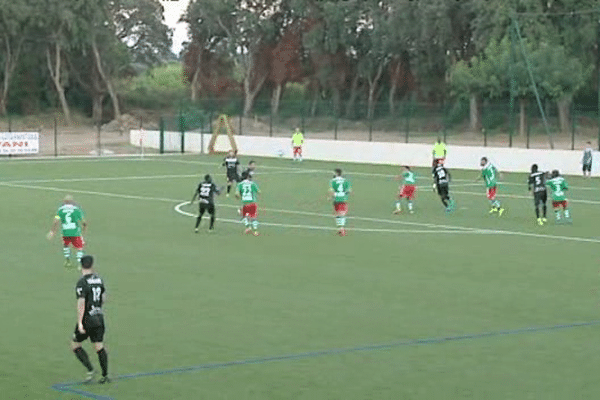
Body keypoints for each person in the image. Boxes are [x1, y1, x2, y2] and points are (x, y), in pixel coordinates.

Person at [71, 255, 109, 384]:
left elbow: (81, 303)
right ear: (92, 265)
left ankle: (91, 370)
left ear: (81, 266)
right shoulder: (99, 280)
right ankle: (105, 375)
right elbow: (103, 298)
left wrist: (80, 323)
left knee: (75, 345)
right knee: (99, 346)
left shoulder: (82, 282)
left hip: (87, 319)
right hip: (99, 317)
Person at [47, 195, 87, 269]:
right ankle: (79, 264)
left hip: (65, 232)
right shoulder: (76, 209)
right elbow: (83, 221)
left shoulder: (60, 210)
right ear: (72, 201)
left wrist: (52, 231)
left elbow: (56, 221)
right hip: (75, 232)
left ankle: (67, 261)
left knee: (66, 245)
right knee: (79, 247)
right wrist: (84, 229)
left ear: (64, 202)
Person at [236, 171, 260, 236]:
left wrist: (240, 195)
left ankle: (248, 227)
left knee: (243, 215)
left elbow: (237, 194)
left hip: (245, 203)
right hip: (252, 202)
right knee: (253, 217)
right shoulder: (253, 183)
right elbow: (259, 191)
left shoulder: (240, 184)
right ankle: (255, 231)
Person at [329, 168, 351, 236]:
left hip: (336, 198)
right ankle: (341, 228)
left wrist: (331, 197)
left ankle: (341, 229)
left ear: (336, 173)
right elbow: (349, 191)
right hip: (343, 198)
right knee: (342, 214)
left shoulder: (333, 181)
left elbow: (332, 191)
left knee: (338, 214)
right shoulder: (346, 181)